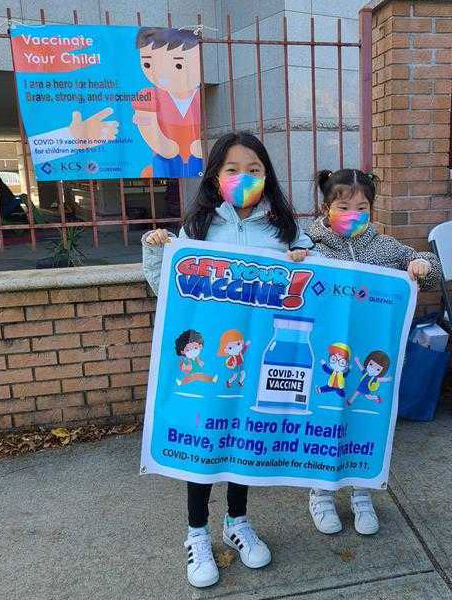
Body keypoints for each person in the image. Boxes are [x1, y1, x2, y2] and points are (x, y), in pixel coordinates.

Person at [142, 131, 313, 588]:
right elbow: (167, 292)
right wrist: (156, 250)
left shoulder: (284, 227)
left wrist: (304, 258)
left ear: (267, 176)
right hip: (209, 365)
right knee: (203, 443)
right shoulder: (198, 227)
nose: (244, 177)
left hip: (256, 363)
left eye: (254, 170)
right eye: (232, 169)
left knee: (245, 441)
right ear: (216, 176)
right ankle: (196, 533)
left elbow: (316, 283)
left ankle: (236, 522)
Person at [306, 168, 441, 536]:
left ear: (372, 208)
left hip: (370, 359)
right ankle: (320, 492)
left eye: (362, 207)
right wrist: (295, 259)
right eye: (343, 205)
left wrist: (422, 266)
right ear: (326, 206)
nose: (353, 213)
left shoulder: (385, 247)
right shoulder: (310, 244)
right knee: (325, 418)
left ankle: (362, 492)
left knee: (365, 418)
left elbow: (433, 271)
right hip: (327, 354)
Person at [133, 27, 203, 178]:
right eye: (148, 65)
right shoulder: (148, 95)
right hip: (165, 157)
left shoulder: (200, 96)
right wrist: (164, 146)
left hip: (197, 157)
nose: (162, 75)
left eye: (178, 65)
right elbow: (147, 127)